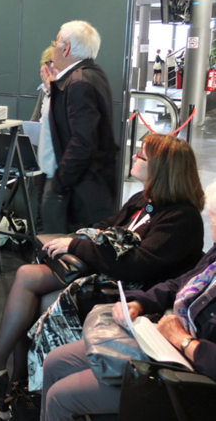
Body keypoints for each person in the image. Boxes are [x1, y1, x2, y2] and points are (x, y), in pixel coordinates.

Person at [0, 134, 204, 420]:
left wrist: (76, 245)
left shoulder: (181, 219)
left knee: (34, 293)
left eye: (141, 155)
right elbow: (107, 229)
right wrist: (78, 241)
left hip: (130, 293)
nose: (133, 156)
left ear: (162, 169)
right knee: (28, 285)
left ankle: (7, 380)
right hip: (106, 275)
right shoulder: (143, 200)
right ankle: (14, 389)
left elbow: (135, 267)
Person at [41, 179, 216, 421]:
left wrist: (184, 341)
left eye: (214, 215)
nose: (209, 217)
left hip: (189, 377)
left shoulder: (181, 217)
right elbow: (178, 284)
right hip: (165, 343)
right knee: (55, 361)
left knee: (60, 396)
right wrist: (140, 302)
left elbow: (137, 264)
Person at [41, 21, 118, 234]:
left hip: (81, 188)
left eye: (56, 43)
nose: (54, 48)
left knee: (58, 246)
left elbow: (83, 142)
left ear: (65, 48)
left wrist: (59, 182)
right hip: (91, 185)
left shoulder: (78, 82)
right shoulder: (93, 74)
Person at [31, 46, 56, 232]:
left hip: (58, 158)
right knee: (40, 200)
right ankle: (39, 239)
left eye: (52, 63)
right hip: (41, 152)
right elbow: (35, 118)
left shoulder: (69, 89)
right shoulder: (43, 90)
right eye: (47, 63)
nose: (48, 68)